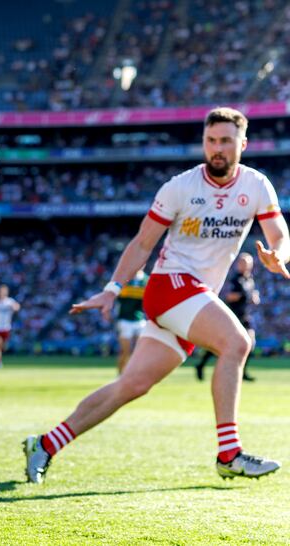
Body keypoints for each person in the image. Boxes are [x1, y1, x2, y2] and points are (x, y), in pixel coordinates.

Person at [23, 107, 289, 486]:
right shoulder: (180, 187)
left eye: (226, 141)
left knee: (130, 386)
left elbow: (279, 232)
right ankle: (229, 454)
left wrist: (279, 256)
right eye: (211, 140)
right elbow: (143, 243)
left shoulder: (257, 185)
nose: (217, 149)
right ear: (203, 142)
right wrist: (113, 289)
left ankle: (45, 444)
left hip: (196, 300)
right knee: (236, 342)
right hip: (170, 286)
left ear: (242, 144)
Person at [194, 253, 259, 382]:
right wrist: (243, 296)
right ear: (238, 264)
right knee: (222, 345)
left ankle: (243, 372)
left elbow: (251, 295)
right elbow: (229, 296)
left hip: (244, 315)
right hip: (233, 314)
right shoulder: (234, 279)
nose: (246, 266)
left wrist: (253, 298)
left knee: (250, 343)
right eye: (243, 263)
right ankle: (201, 365)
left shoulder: (249, 279)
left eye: (248, 263)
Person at [115, 270, 148, 374]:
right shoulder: (124, 278)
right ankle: (120, 377)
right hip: (125, 320)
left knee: (140, 351)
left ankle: (135, 375)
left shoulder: (146, 280)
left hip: (140, 320)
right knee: (125, 352)